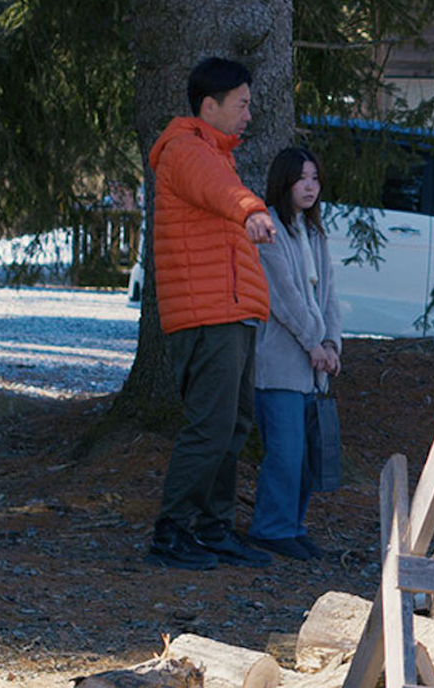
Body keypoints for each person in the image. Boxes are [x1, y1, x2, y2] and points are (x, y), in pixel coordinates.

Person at [145, 57, 277, 570]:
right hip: (207, 317)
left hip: (230, 312)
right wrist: (252, 209)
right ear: (209, 106)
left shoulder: (216, 154)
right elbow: (222, 195)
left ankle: (214, 528)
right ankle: (170, 532)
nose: (249, 113)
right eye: (241, 104)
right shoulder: (186, 149)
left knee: (233, 425)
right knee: (211, 427)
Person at [248, 147, 342, 560]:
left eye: (315, 178)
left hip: (314, 366)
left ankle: (293, 525)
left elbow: (330, 297)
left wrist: (333, 345)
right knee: (284, 452)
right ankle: (270, 527)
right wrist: (314, 344)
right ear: (284, 181)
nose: (310, 186)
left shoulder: (314, 233)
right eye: (302, 178)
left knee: (305, 455)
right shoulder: (270, 230)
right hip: (281, 364)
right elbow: (282, 298)